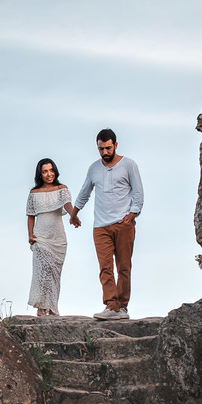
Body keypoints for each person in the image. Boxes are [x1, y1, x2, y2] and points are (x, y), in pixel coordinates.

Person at [69, 128, 143, 320]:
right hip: (100, 226)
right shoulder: (94, 168)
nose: (104, 152)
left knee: (124, 267)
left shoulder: (129, 165)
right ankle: (111, 305)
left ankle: (123, 307)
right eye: (101, 149)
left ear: (116, 145)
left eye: (108, 148)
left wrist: (133, 214)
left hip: (123, 224)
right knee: (105, 267)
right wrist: (75, 213)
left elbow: (138, 192)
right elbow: (85, 191)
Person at [26, 158, 78, 316]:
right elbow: (30, 215)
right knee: (42, 270)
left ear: (55, 171)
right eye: (45, 171)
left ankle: (52, 308)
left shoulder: (62, 189)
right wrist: (30, 235)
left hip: (58, 238)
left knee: (54, 273)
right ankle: (42, 308)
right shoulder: (34, 193)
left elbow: (68, 204)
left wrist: (73, 216)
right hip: (40, 237)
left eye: (51, 170)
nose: (49, 174)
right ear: (40, 174)